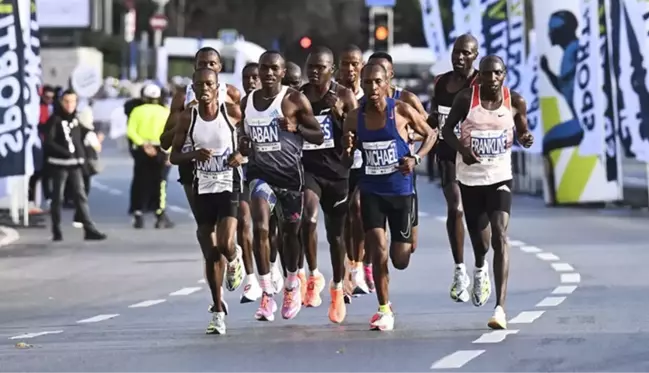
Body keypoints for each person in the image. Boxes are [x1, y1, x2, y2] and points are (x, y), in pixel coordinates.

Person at [441, 55, 533, 330]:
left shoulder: (514, 100)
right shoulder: (465, 99)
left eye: (496, 73)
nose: (491, 78)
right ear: (478, 76)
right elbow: (446, 131)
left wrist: (525, 137)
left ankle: (500, 308)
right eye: (485, 74)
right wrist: (462, 150)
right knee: (480, 242)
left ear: (504, 74)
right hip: (470, 179)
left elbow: (522, 129)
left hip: (500, 176)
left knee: (500, 235)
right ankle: (480, 267)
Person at [342, 63, 437, 331]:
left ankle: (408, 233)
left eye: (377, 82)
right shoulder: (354, 117)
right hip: (372, 190)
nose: (372, 88)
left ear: (387, 83)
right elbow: (344, 157)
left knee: (401, 259)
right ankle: (384, 309)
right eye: (367, 82)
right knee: (379, 250)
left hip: (401, 192)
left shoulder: (401, 110)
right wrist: (347, 150)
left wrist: (416, 157)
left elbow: (431, 134)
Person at [240, 51, 324, 322]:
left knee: (290, 235)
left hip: (290, 178)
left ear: (282, 72)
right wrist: (243, 144)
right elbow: (244, 134)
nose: (267, 74)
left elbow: (319, 135)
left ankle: (291, 284)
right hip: (259, 174)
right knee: (261, 227)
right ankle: (266, 293)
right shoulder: (248, 101)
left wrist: (295, 127)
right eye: (264, 68)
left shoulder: (294, 99)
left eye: (274, 69)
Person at [170, 68, 245, 335]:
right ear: (194, 86)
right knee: (209, 247)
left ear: (217, 87)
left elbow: (250, 141)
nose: (204, 89)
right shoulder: (187, 117)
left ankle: (236, 258)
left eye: (209, 84)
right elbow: (174, 156)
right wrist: (193, 155)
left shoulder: (231, 112)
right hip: (203, 185)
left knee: (225, 243)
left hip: (229, 183)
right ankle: (217, 310)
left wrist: (241, 156)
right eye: (199, 84)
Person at [299, 46, 357, 323]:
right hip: (310, 170)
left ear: (331, 70)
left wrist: (339, 116)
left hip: (338, 173)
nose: (313, 72)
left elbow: (358, 129)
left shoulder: (343, 95)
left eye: (320, 67)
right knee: (308, 219)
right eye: (310, 66)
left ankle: (336, 287)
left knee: (336, 236)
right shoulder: (300, 95)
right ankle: (313, 275)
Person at [427, 34, 480, 303]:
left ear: (475, 55)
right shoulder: (441, 82)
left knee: (480, 218)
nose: (459, 57)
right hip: (448, 155)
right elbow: (433, 118)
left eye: (465, 53)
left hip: (474, 157)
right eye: (456, 52)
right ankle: (460, 270)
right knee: (455, 208)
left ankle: (480, 268)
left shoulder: (482, 83)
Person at [367, 52, 429, 252]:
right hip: (372, 175)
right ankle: (372, 271)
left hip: (402, 174)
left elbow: (429, 129)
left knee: (408, 249)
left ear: (390, 74)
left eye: (381, 72)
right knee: (377, 243)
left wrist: (409, 134)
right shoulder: (364, 101)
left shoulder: (406, 99)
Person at [336, 44, 374, 296]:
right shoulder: (332, 94)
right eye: (345, 64)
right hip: (338, 166)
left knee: (358, 210)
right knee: (343, 220)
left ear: (362, 66)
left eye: (355, 64)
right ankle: (347, 270)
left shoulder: (371, 94)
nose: (350, 69)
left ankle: (360, 266)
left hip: (367, 165)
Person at [45, 89, 106, 242]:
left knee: (81, 196)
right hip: (59, 164)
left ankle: (89, 229)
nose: (70, 105)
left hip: (76, 165)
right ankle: (56, 230)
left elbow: (84, 133)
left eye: (73, 101)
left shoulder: (76, 119)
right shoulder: (55, 119)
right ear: (61, 102)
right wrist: (66, 152)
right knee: (58, 197)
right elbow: (49, 142)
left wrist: (94, 137)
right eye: (67, 101)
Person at [127, 84, 173, 229]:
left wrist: (143, 144)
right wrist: (170, 152)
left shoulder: (137, 110)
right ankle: (160, 214)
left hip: (142, 151)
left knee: (140, 181)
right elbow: (172, 132)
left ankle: (138, 213)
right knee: (160, 182)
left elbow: (131, 131)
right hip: (161, 149)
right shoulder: (166, 111)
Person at [239, 62, 264, 303]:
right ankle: (250, 278)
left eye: (255, 77)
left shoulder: (273, 105)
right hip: (242, 173)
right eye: (246, 78)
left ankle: (273, 267)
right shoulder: (239, 106)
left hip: (269, 172)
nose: (251, 82)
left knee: (266, 227)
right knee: (244, 222)